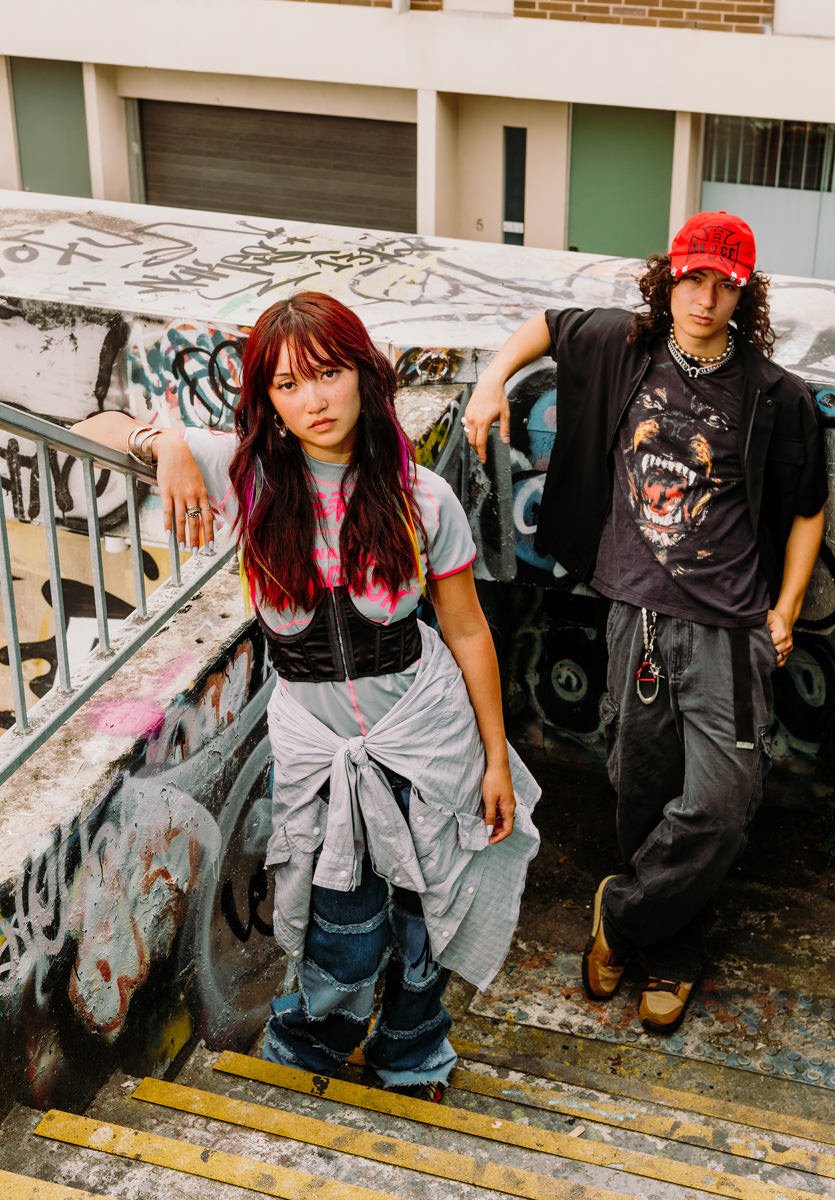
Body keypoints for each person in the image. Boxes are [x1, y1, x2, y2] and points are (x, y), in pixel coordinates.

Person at [73, 291, 540, 1101]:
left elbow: (466, 632)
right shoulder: (246, 475)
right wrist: (167, 440)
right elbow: (87, 433)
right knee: (344, 924)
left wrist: (495, 759)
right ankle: (313, 1043)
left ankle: (412, 1053)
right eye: (288, 385)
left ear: (364, 375)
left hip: (426, 733)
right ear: (268, 401)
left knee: (426, 914)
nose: (313, 400)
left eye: (327, 374)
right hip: (318, 749)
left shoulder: (421, 495)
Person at [463, 212, 827, 1034]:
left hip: (729, 626)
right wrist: (491, 382)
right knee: (640, 790)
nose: (702, 298)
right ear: (668, 279)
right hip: (634, 615)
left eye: (721, 285)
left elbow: (808, 509)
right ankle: (673, 949)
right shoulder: (623, 347)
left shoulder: (774, 397)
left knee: (721, 804)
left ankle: (620, 919)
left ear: (744, 293)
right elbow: (546, 326)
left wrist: (785, 610)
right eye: (690, 279)